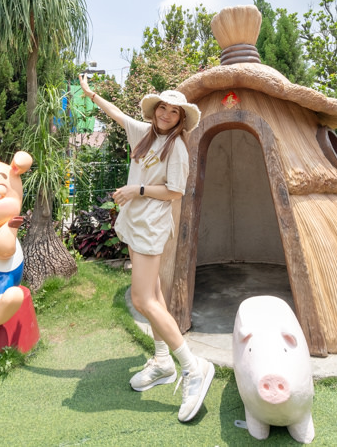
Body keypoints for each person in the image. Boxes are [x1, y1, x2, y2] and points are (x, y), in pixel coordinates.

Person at [78, 73, 215, 423]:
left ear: (181, 119)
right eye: (163, 108)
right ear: (156, 110)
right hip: (136, 222)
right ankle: (162, 361)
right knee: (152, 292)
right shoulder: (144, 132)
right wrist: (92, 95)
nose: (166, 115)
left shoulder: (178, 148)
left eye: (174, 112)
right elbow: (116, 115)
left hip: (152, 224)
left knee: (143, 300)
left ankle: (192, 366)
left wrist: (136, 190)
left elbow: (175, 191)